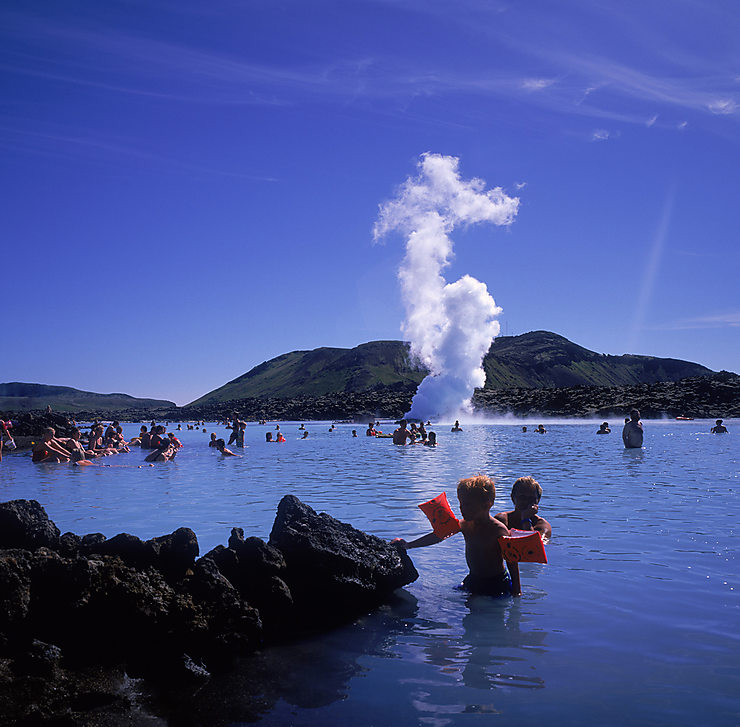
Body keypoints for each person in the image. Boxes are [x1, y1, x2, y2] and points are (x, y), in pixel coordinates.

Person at [393, 475, 520, 597]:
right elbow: (438, 536)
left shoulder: (498, 530)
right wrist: (408, 545)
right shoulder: (464, 525)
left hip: (496, 583)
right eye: (461, 504)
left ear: (486, 505)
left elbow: (512, 562)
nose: (461, 509)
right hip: (473, 579)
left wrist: (517, 590)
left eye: (467, 505)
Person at [494, 476, 552, 541]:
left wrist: (526, 519)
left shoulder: (542, 526)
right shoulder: (502, 520)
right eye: (522, 497)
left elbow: (534, 546)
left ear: (538, 500)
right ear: (513, 498)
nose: (526, 502)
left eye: (531, 498)